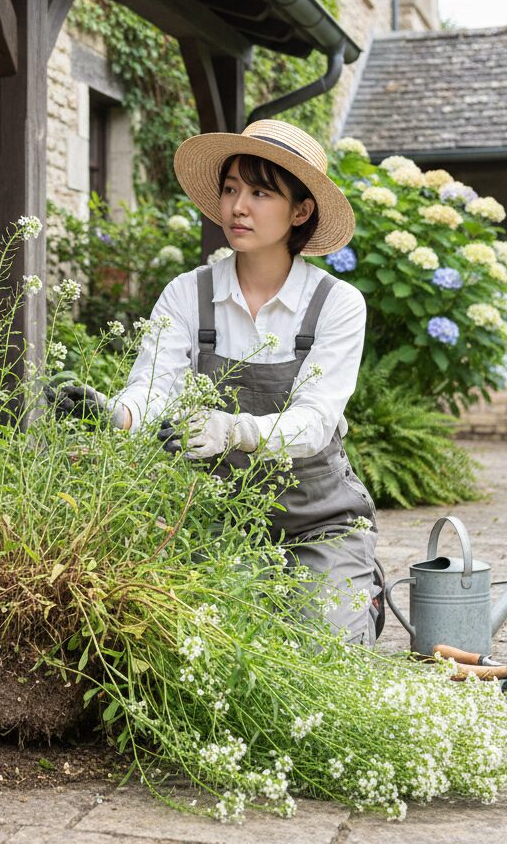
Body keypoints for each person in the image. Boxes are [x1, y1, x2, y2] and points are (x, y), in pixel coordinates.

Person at [52, 119, 380, 645]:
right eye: (230, 190)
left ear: (301, 210)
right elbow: (156, 385)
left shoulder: (336, 305)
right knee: (190, 648)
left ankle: (352, 588)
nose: (237, 207)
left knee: (323, 653)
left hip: (318, 522)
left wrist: (234, 430)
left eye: (260, 192)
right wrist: (117, 415)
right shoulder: (188, 294)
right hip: (213, 520)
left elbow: (317, 422)